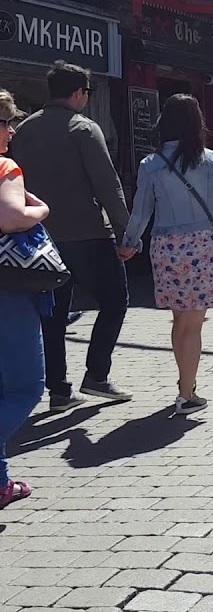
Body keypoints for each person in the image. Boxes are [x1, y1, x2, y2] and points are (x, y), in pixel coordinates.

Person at [11, 60, 133, 411]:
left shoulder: (25, 130)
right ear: (79, 92)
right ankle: (96, 374)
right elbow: (107, 184)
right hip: (89, 233)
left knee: (53, 314)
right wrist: (127, 231)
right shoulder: (83, 128)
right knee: (114, 301)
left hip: (41, 238)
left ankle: (59, 390)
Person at [119, 95, 213, 416]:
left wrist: (130, 242)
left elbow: (141, 211)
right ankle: (187, 392)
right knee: (194, 324)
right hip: (202, 243)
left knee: (179, 318)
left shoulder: (150, 164)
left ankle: (185, 386)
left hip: (165, 245)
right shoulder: (212, 160)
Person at [0, 90, 49, 509]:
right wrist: (42, 210)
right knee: (27, 387)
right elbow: (12, 218)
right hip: (6, 290)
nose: (13, 130)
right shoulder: (5, 166)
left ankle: (0, 483)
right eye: (8, 123)